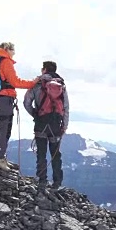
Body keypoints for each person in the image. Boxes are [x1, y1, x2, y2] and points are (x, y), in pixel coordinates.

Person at [0, 42, 39, 171]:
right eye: (13, 50)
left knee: (5, 128)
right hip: (5, 99)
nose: (14, 53)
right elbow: (15, 81)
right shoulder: (6, 62)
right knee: (5, 129)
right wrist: (33, 83)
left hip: (0, 99)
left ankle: (1, 157)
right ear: (7, 49)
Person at [23, 61, 70, 189]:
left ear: (44, 70)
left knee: (41, 153)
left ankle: (42, 181)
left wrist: (35, 114)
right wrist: (64, 126)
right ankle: (57, 183)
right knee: (55, 154)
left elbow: (26, 102)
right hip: (56, 124)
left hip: (41, 123)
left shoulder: (37, 84)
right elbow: (66, 108)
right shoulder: (61, 86)